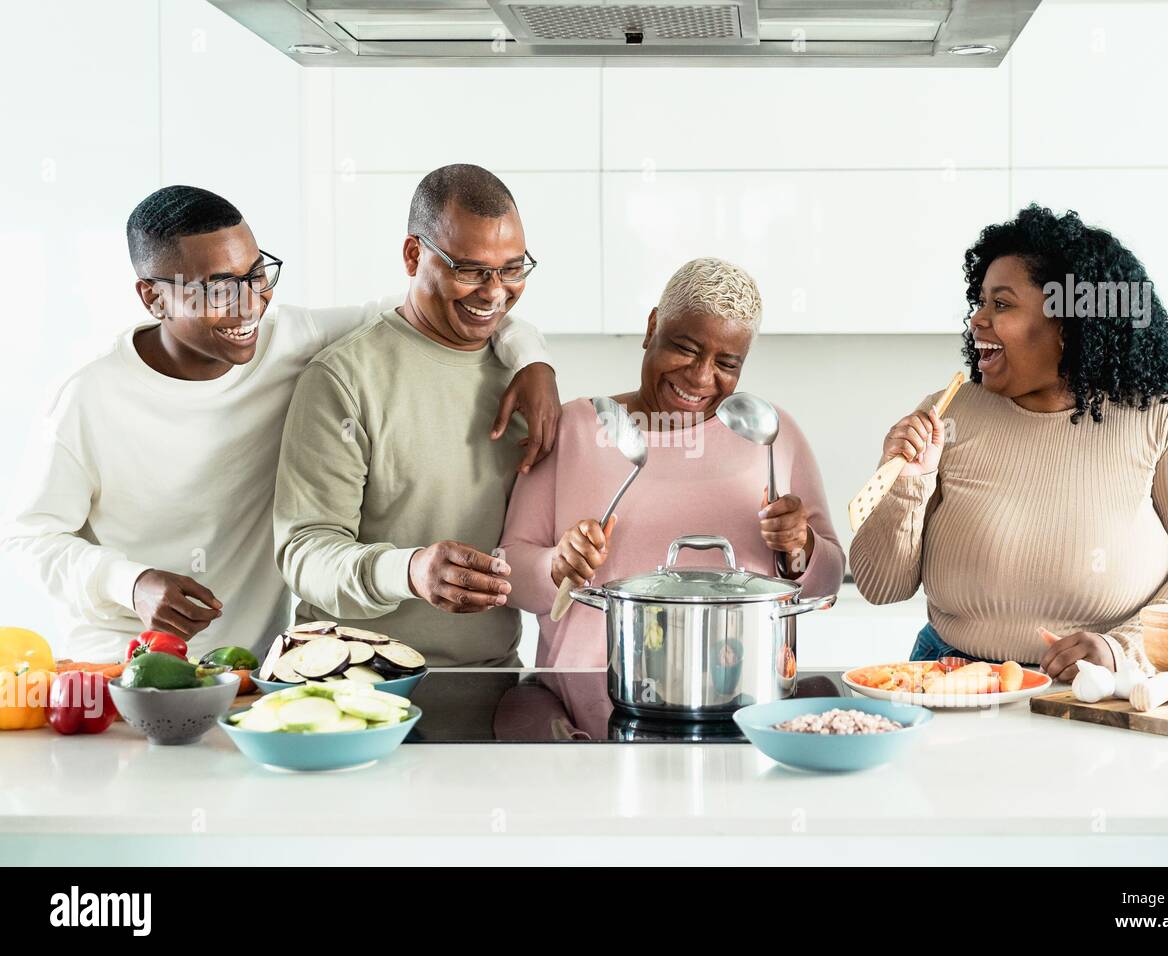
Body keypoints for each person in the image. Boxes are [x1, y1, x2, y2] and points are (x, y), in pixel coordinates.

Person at [0, 183, 558, 662]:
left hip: (252, 664)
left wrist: (532, 359)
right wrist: (132, 583)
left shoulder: (288, 340)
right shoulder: (88, 398)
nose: (250, 306)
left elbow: (445, 300)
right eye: (219, 288)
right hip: (125, 663)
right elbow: (30, 539)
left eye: (257, 275)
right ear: (153, 297)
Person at [850, 204, 1168, 680]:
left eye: (1002, 304)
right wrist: (908, 482)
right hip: (947, 679)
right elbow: (880, 586)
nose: (977, 320)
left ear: (1066, 323)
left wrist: (1122, 648)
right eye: (980, 302)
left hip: (1093, 687)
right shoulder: (946, 415)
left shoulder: (1161, 422)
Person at [499, 257, 845, 668]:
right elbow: (507, 571)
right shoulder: (574, 428)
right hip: (588, 701)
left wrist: (799, 546)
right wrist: (554, 565)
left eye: (726, 364)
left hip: (740, 693)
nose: (700, 377)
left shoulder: (772, 436)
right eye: (685, 349)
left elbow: (826, 582)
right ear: (652, 329)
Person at [274, 164, 556, 665]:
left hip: (489, 682)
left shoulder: (523, 378)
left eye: (513, 269)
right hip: (352, 681)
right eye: (469, 270)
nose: (494, 293)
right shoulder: (343, 378)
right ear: (413, 255)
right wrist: (408, 571)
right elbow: (305, 552)